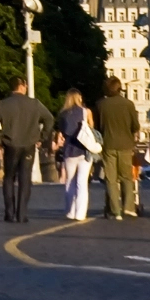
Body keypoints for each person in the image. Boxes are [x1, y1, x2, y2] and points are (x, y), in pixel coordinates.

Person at [0, 77, 51, 224]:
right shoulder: (34, 104)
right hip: (29, 144)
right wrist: (41, 137)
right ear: (22, 86)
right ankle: (22, 214)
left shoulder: (2, 105)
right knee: (25, 178)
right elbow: (49, 119)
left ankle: (9, 213)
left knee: (9, 177)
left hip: (10, 144)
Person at [95, 79, 143, 220]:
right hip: (126, 145)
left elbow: (98, 127)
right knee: (126, 176)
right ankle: (128, 207)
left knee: (111, 179)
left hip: (108, 144)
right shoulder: (128, 104)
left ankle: (115, 210)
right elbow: (135, 126)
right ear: (120, 88)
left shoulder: (100, 105)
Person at [57, 89, 96, 221]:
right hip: (84, 149)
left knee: (70, 181)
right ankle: (80, 213)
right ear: (79, 97)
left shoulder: (63, 114)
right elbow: (91, 128)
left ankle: (70, 211)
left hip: (69, 150)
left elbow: (62, 131)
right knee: (82, 182)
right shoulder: (86, 111)